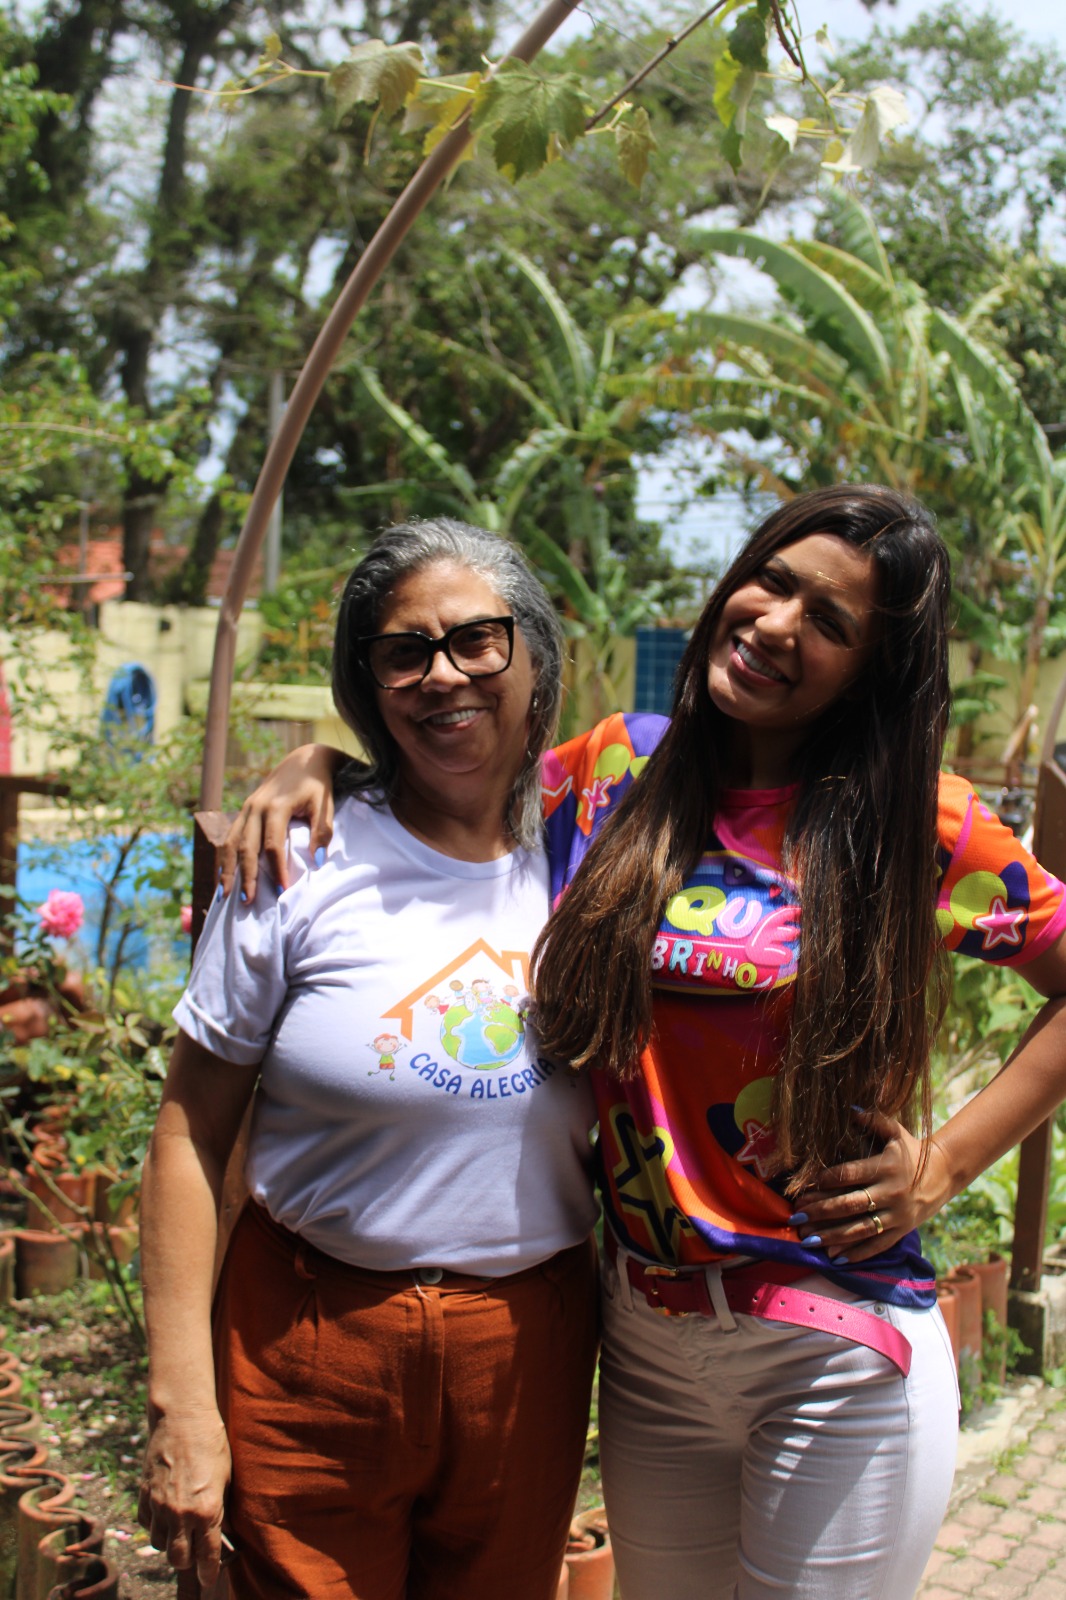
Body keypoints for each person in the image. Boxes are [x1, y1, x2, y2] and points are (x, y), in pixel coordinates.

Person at [224, 485, 1066, 1600]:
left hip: (830, 1343)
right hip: (648, 1342)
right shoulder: (619, 769)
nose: (775, 623)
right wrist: (327, 766)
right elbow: (457, 761)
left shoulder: (917, 819)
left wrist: (947, 1162)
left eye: (830, 621)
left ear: (871, 669)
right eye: (771, 580)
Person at [137, 520, 601, 1600]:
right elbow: (190, 1131)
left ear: (534, 657)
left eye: (477, 641)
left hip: (524, 1355)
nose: (442, 674)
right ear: (369, 684)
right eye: (403, 651)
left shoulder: (598, 849)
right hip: (309, 1346)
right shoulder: (298, 859)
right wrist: (181, 1401)